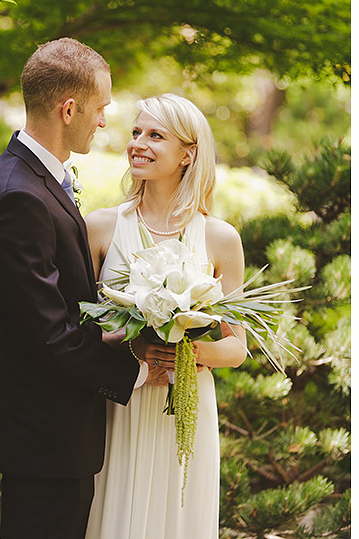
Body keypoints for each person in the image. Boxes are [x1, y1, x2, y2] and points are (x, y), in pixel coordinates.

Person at [0, 37, 159, 539]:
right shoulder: (19, 196)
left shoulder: (31, 179)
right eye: (101, 108)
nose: (104, 121)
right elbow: (46, 333)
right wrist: (135, 369)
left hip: (49, 430)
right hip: (43, 433)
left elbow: (56, 305)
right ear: (69, 108)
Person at [84, 93, 247, 539]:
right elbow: (74, 329)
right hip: (119, 400)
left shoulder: (219, 238)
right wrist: (134, 348)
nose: (138, 143)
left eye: (155, 135)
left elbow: (237, 348)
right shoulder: (100, 227)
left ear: (188, 154)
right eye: (136, 132)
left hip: (186, 405)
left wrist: (189, 353)